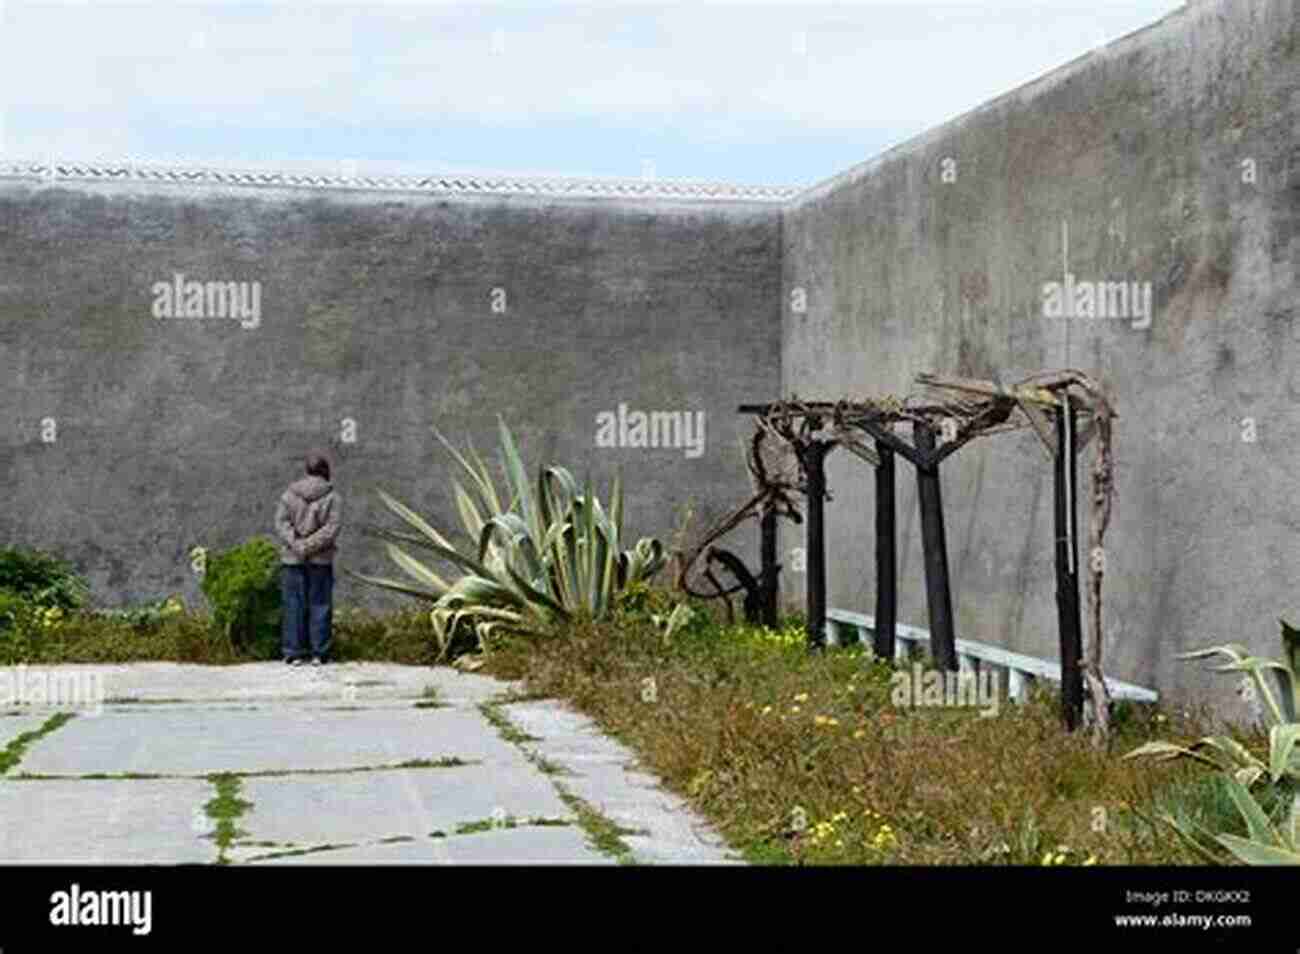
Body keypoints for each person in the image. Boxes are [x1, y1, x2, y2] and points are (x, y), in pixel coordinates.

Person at [273, 452, 341, 666]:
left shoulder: (288, 495)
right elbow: (331, 529)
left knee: (293, 604)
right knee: (320, 604)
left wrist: (298, 545)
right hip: (321, 560)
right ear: (325, 472)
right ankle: (319, 653)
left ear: (307, 471)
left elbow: (281, 524)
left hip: (292, 560)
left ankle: (293, 652)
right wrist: (310, 546)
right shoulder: (333, 497)